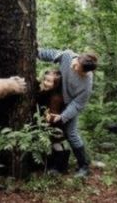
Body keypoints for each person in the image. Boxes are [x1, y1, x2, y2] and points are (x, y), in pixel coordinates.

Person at [37, 48, 97, 177]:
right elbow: (52, 54)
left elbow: (78, 104)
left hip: (69, 106)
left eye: (77, 68)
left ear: (86, 72)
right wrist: (36, 52)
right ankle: (58, 166)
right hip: (56, 99)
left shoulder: (87, 83)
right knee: (51, 133)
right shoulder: (68, 56)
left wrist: (63, 116)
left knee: (71, 133)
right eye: (75, 63)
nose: (73, 66)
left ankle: (84, 167)